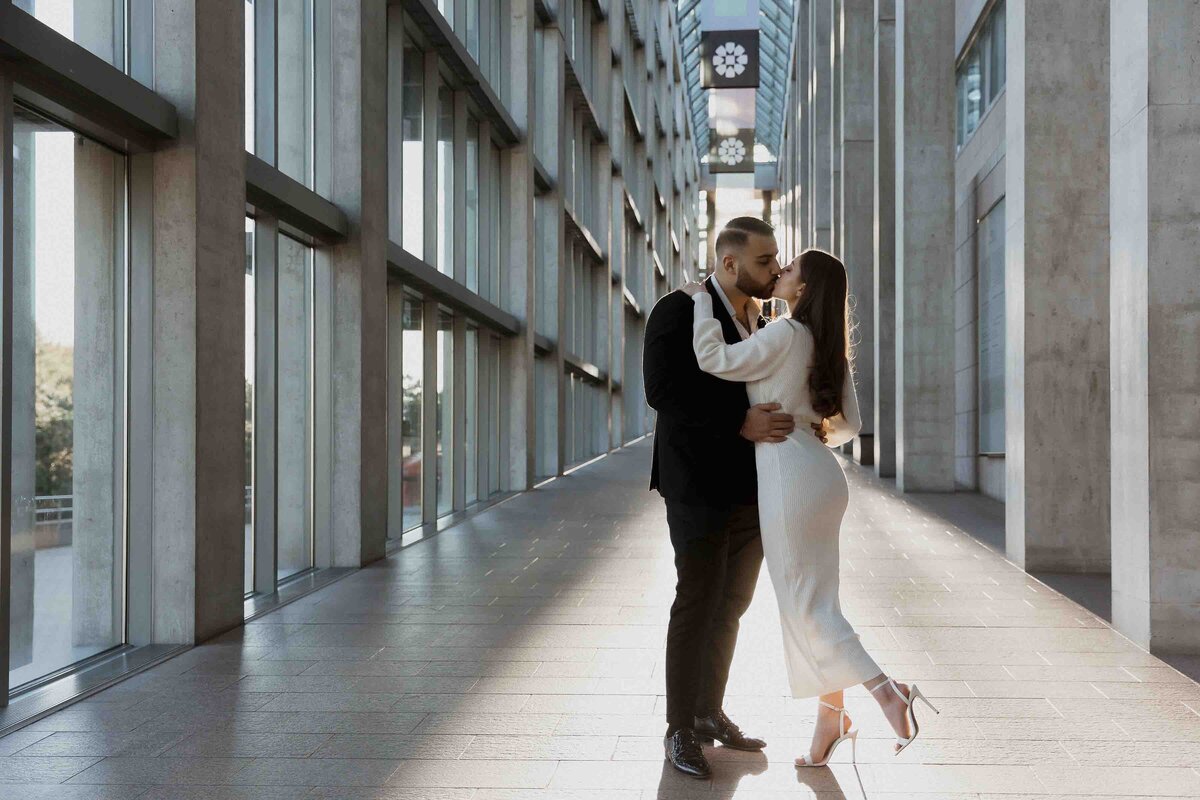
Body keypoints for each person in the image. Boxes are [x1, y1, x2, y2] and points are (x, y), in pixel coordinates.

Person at [679, 247, 939, 768]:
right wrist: (802, 424)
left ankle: (890, 692)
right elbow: (847, 427)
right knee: (820, 603)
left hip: (788, 478)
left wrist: (700, 304)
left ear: (804, 287)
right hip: (820, 474)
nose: (780, 271)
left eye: (790, 267)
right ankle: (830, 719)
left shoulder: (784, 334)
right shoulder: (824, 344)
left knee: (808, 606)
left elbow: (715, 361)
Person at [643, 216, 793, 779]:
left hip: (754, 488)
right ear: (729, 264)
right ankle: (679, 728)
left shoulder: (766, 319)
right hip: (697, 484)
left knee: (732, 603)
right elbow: (662, 391)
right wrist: (739, 423)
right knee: (698, 599)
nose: (774, 269)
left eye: (777, 259)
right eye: (764, 261)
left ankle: (709, 712)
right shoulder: (678, 308)